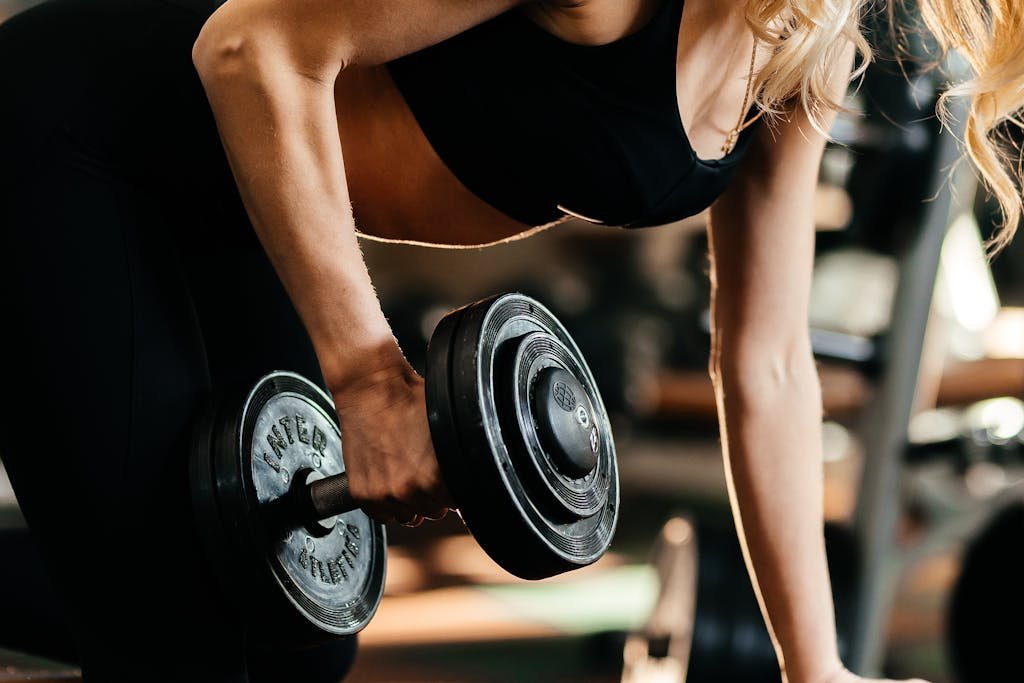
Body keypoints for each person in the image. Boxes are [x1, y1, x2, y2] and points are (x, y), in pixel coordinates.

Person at [0, 0, 1019, 681]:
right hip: (72, 139)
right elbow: (250, 50)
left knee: (296, 641)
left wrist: (816, 666)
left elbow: (769, 362)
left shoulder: (801, 43)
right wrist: (368, 376)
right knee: (181, 639)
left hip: (216, 207)